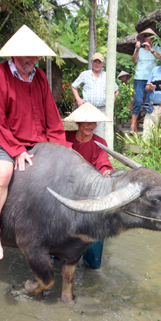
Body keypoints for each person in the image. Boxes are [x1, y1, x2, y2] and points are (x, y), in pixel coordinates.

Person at [0, 25, 71, 261]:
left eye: (37, 55)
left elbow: (51, 113)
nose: (35, 59)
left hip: (38, 138)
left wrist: (58, 145)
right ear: (15, 54)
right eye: (30, 55)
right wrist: (15, 149)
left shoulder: (39, 76)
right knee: (2, 173)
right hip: (6, 138)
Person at [64, 103, 114, 267]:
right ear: (78, 123)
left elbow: (104, 164)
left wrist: (106, 172)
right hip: (65, 186)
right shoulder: (64, 137)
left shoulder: (100, 142)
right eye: (86, 122)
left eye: (93, 123)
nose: (90, 126)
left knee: (97, 225)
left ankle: (92, 262)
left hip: (88, 190)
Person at [71, 52, 119, 138]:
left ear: (103, 64)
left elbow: (116, 90)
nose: (97, 64)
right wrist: (78, 99)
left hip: (101, 110)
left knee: (99, 136)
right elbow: (74, 86)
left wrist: (111, 102)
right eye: (95, 61)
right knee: (84, 133)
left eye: (99, 62)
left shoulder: (107, 75)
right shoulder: (85, 74)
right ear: (92, 62)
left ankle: (98, 151)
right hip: (87, 110)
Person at [130, 28, 161, 133]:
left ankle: (148, 125)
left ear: (153, 38)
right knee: (138, 101)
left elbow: (160, 59)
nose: (147, 38)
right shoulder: (139, 48)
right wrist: (138, 49)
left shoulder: (157, 47)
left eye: (149, 36)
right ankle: (133, 124)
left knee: (149, 102)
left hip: (152, 78)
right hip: (139, 77)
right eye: (145, 36)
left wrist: (151, 49)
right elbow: (133, 60)